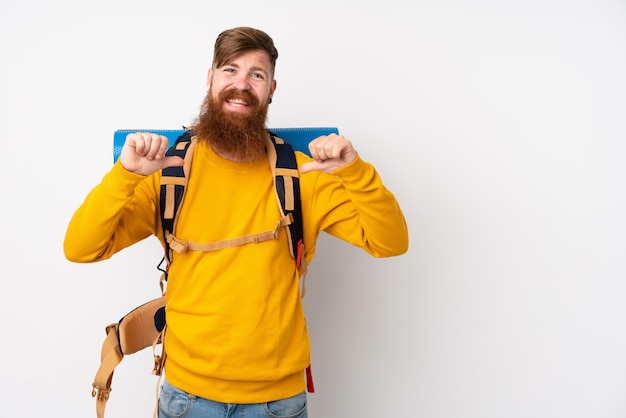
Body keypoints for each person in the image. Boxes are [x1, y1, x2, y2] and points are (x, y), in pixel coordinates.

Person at [64, 26, 408, 418]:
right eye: (230, 70)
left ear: (271, 89)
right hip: (186, 398)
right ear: (210, 79)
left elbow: (390, 242)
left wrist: (356, 173)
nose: (241, 84)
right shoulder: (170, 173)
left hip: (277, 402)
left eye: (256, 75)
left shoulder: (301, 175)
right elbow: (80, 248)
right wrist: (125, 175)